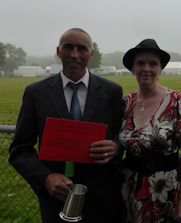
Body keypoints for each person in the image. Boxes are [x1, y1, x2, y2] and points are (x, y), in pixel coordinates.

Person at [9, 28, 124, 223]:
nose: (74, 54)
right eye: (68, 47)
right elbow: (19, 149)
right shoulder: (36, 94)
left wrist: (116, 147)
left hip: (102, 197)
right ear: (58, 51)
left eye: (82, 48)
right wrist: (45, 178)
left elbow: (122, 137)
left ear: (92, 54)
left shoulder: (111, 92)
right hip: (56, 198)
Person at [119, 39, 181, 223]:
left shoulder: (176, 101)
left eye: (153, 64)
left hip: (164, 193)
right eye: (141, 63)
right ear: (133, 68)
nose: (146, 68)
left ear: (160, 69)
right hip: (128, 189)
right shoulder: (125, 103)